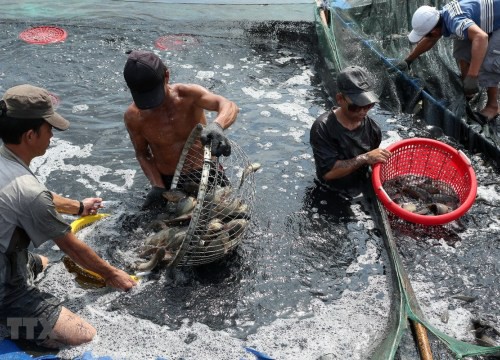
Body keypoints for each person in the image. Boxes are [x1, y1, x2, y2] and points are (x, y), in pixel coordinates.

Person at [0, 84, 137, 348]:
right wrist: (111, 274)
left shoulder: (9, 163)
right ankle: (9, 324)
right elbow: (70, 246)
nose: (52, 134)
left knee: (42, 261)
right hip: (4, 291)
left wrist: (77, 207)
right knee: (82, 335)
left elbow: (34, 196)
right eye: (48, 128)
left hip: (8, 260)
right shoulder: (28, 192)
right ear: (30, 135)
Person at [123, 50, 239, 210]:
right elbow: (142, 153)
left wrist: (217, 125)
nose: (152, 103)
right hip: (169, 182)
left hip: (207, 172)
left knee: (228, 220)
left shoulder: (189, 95)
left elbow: (228, 105)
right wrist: (157, 186)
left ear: (167, 76)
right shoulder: (133, 116)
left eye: (154, 94)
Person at [398, 1, 500, 123]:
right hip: (486, 17)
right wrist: (408, 60)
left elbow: (481, 38)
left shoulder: (455, 22)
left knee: (489, 61)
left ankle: (493, 106)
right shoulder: (442, 17)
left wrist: (473, 75)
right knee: (461, 49)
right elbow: (430, 40)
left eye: (427, 34)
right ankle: (469, 90)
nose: (427, 37)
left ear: (434, 30)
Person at [310, 66, 391, 189]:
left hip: (361, 186)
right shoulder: (323, 127)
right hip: (331, 190)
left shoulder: (373, 129)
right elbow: (328, 173)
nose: (363, 111)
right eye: (356, 106)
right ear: (340, 99)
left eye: (368, 105)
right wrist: (365, 157)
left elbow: (373, 160)